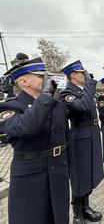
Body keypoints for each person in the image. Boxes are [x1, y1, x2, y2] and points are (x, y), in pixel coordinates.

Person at [0, 57, 70, 224]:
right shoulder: (10, 106)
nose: (46, 79)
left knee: (60, 218)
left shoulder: (55, 104)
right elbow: (26, 127)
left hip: (58, 171)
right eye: (40, 76)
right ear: (23, 81)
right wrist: (45, 96)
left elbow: (65, 137)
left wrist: (70, 166)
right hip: (31, 178)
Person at [60, 60, 103, 224]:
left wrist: (88, 86)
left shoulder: (84, 90)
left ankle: (86, 207)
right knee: (79, 177)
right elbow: (83, 106)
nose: (84, 74)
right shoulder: (67, 93)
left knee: (89, 173)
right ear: (73, 75)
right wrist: (90, 84)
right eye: (81, 72)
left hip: (92, 134)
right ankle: (77, 213)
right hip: (79, 138)